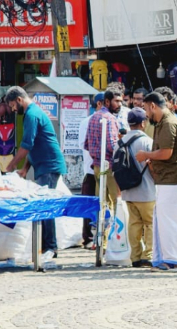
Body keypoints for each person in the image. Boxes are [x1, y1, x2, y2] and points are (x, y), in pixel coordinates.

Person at [135, 92, 177, 272]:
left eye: (146, 108)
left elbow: (166, 153)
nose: (146, 114)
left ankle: (173, 259)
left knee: (171, 221)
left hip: (173, 180)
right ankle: (173, 257)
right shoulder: (164, 122)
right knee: (168, 220)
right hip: (169, 180)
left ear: (153, 106)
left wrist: (146, 155)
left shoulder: (169, 123)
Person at [3, 86, 67, 261]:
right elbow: (33, 146)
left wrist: (10, 166)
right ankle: (46, 246)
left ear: (19, 100)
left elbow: (26, 146)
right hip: (43, 165)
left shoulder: (31, 114)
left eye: (13, 106)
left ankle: (50, 247)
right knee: (42, 204)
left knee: (45, 205)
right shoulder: (32, 112)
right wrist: (24, 169)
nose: (13, 110)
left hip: (49, 165)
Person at [84, 88, 122, 248]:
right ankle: (116, 241)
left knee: (102, 204)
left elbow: (86, 143)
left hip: (98, 167)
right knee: (117, 203)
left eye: (120, 101)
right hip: (110, 167)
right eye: (116, 101)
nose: (120, 104)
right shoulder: (110, 118)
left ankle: (102, 241)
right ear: (107, 102)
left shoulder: (93, 117)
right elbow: (113, 145)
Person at [120, 108, 155, 268]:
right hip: (146, 190)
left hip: (128, 190)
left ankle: (135, 257)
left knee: (134, 224)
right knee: (149, 223)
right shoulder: (147, 141)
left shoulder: (120, 142)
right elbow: (153, 165)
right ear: (143, 123)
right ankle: (147, 256)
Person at [77, 93, 103, 250]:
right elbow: (83, 144)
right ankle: (87, 238)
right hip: (91, 170)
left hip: (106, 171)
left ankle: (101, 236)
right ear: (99, 104)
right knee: (88, 204)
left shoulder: (110, 120)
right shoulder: (87, 122)